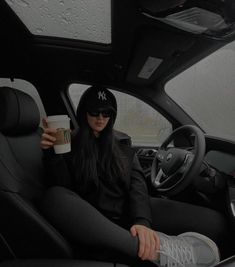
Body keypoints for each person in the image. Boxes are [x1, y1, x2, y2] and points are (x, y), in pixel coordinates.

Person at [40, 86, 222, 267]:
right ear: (83, 112)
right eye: (95, 112)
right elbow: (66, 191)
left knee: (215, 222)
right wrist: (53, 155)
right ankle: (160, 252)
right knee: (54, 196)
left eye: (106, 113)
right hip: (97, 221)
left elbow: (137, 185)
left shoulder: (122, 143)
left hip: (126, 210)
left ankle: (156, 243)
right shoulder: (67, 144)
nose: (101, 118)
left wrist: (142, 221)